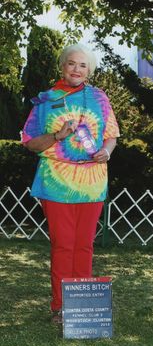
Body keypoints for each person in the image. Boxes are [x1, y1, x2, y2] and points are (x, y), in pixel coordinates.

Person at [21, 43, 120, 324]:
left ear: (89, 71)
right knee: (63, 246)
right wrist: (56, 135)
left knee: (85, 246)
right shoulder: (46, 100)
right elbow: (30, 144)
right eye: (72, 64)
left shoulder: (100, 98)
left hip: (92, 182)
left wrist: (107, 151)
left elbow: (111, 135)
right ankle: (60, 307)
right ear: (62, 66)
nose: (77, 69)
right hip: (56, 181)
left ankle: (81, 309)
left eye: (83, 65)